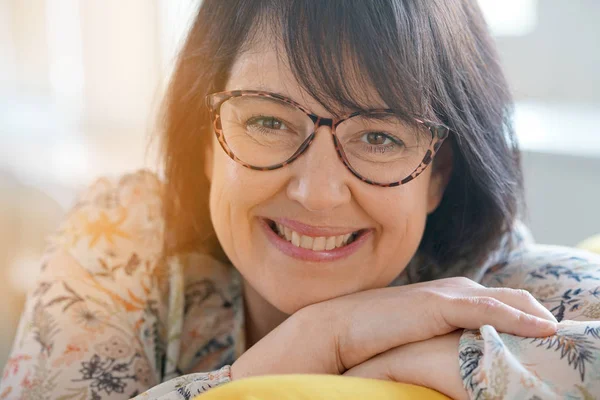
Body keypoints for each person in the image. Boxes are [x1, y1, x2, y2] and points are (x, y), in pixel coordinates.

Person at [2, 1, 600, 399]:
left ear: (438, 174)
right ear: (205, 143)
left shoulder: (495, 282)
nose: (317, 192)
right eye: (267, 121)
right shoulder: (122, 234)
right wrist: (323, 340)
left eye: (379, 136)